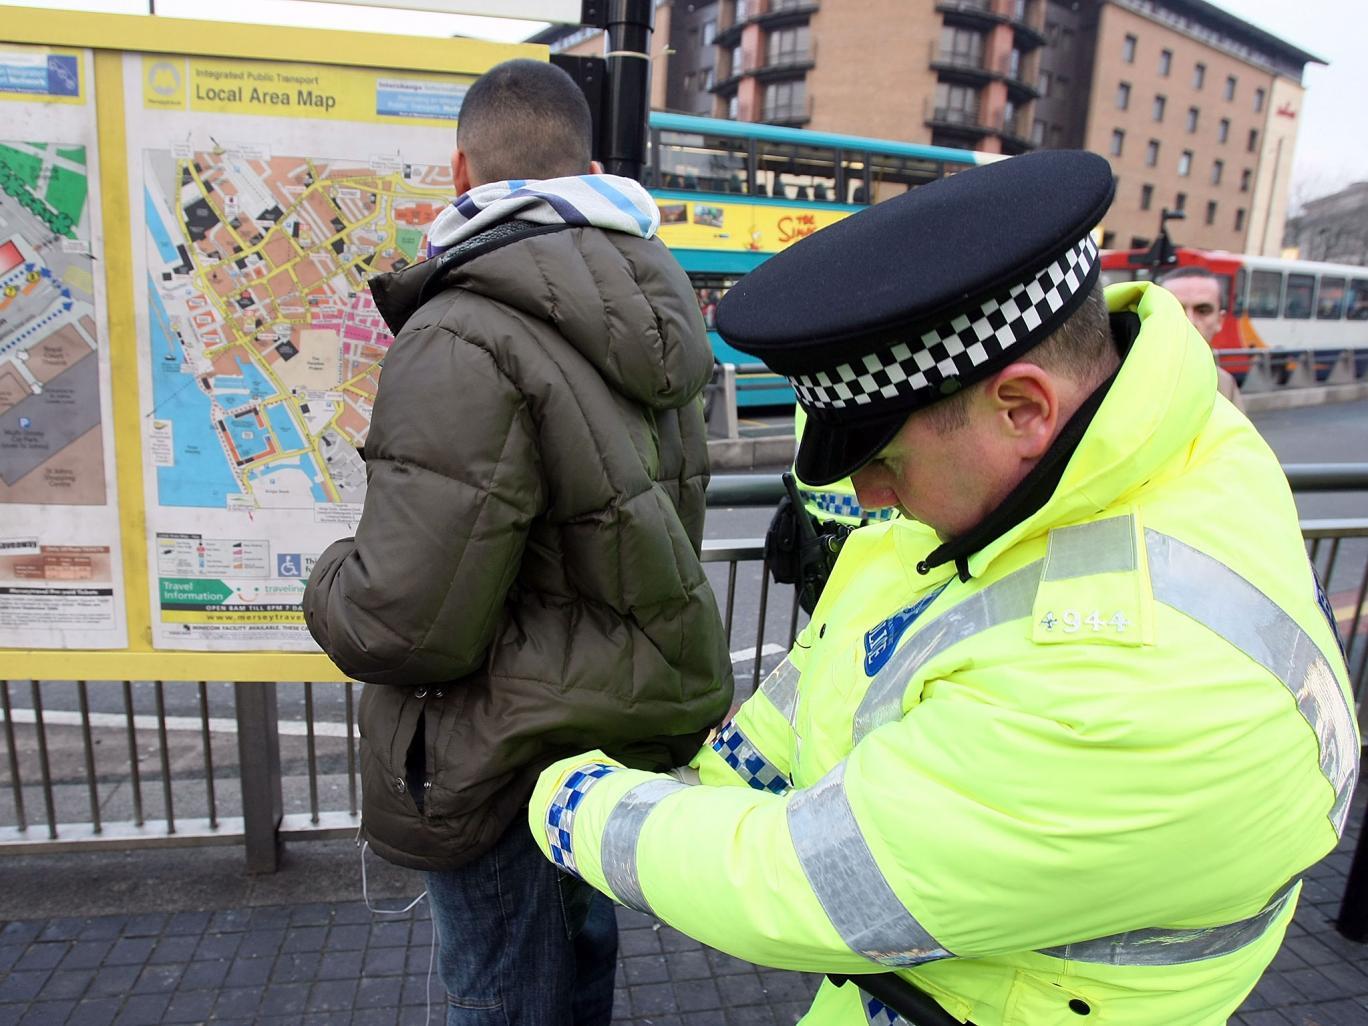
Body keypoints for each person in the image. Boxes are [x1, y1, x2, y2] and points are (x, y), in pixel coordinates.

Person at [525, 150, 1358, 1025]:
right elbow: (842, 655)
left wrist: (569, 799)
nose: (869, 499)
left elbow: (805, 881)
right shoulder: (1154, 442)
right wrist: (717, 778)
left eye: (884, 459)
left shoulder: (1124, 682)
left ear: (1024, 408)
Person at [303, 59, 734, 1025]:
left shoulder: (465, 332)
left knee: (500, 997)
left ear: (462, 170)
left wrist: (326, 580)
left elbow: (410, 624)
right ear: (584, 166)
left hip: (500, 751)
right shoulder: (653, 304)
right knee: (577, 978)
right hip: (606, 742)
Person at [1155, 265, 1246, 410]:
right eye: (1176, 308)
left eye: (1202, 310)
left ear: (1220, 321)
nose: (1189, 321)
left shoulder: (1225, 384)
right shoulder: (1125, 375)